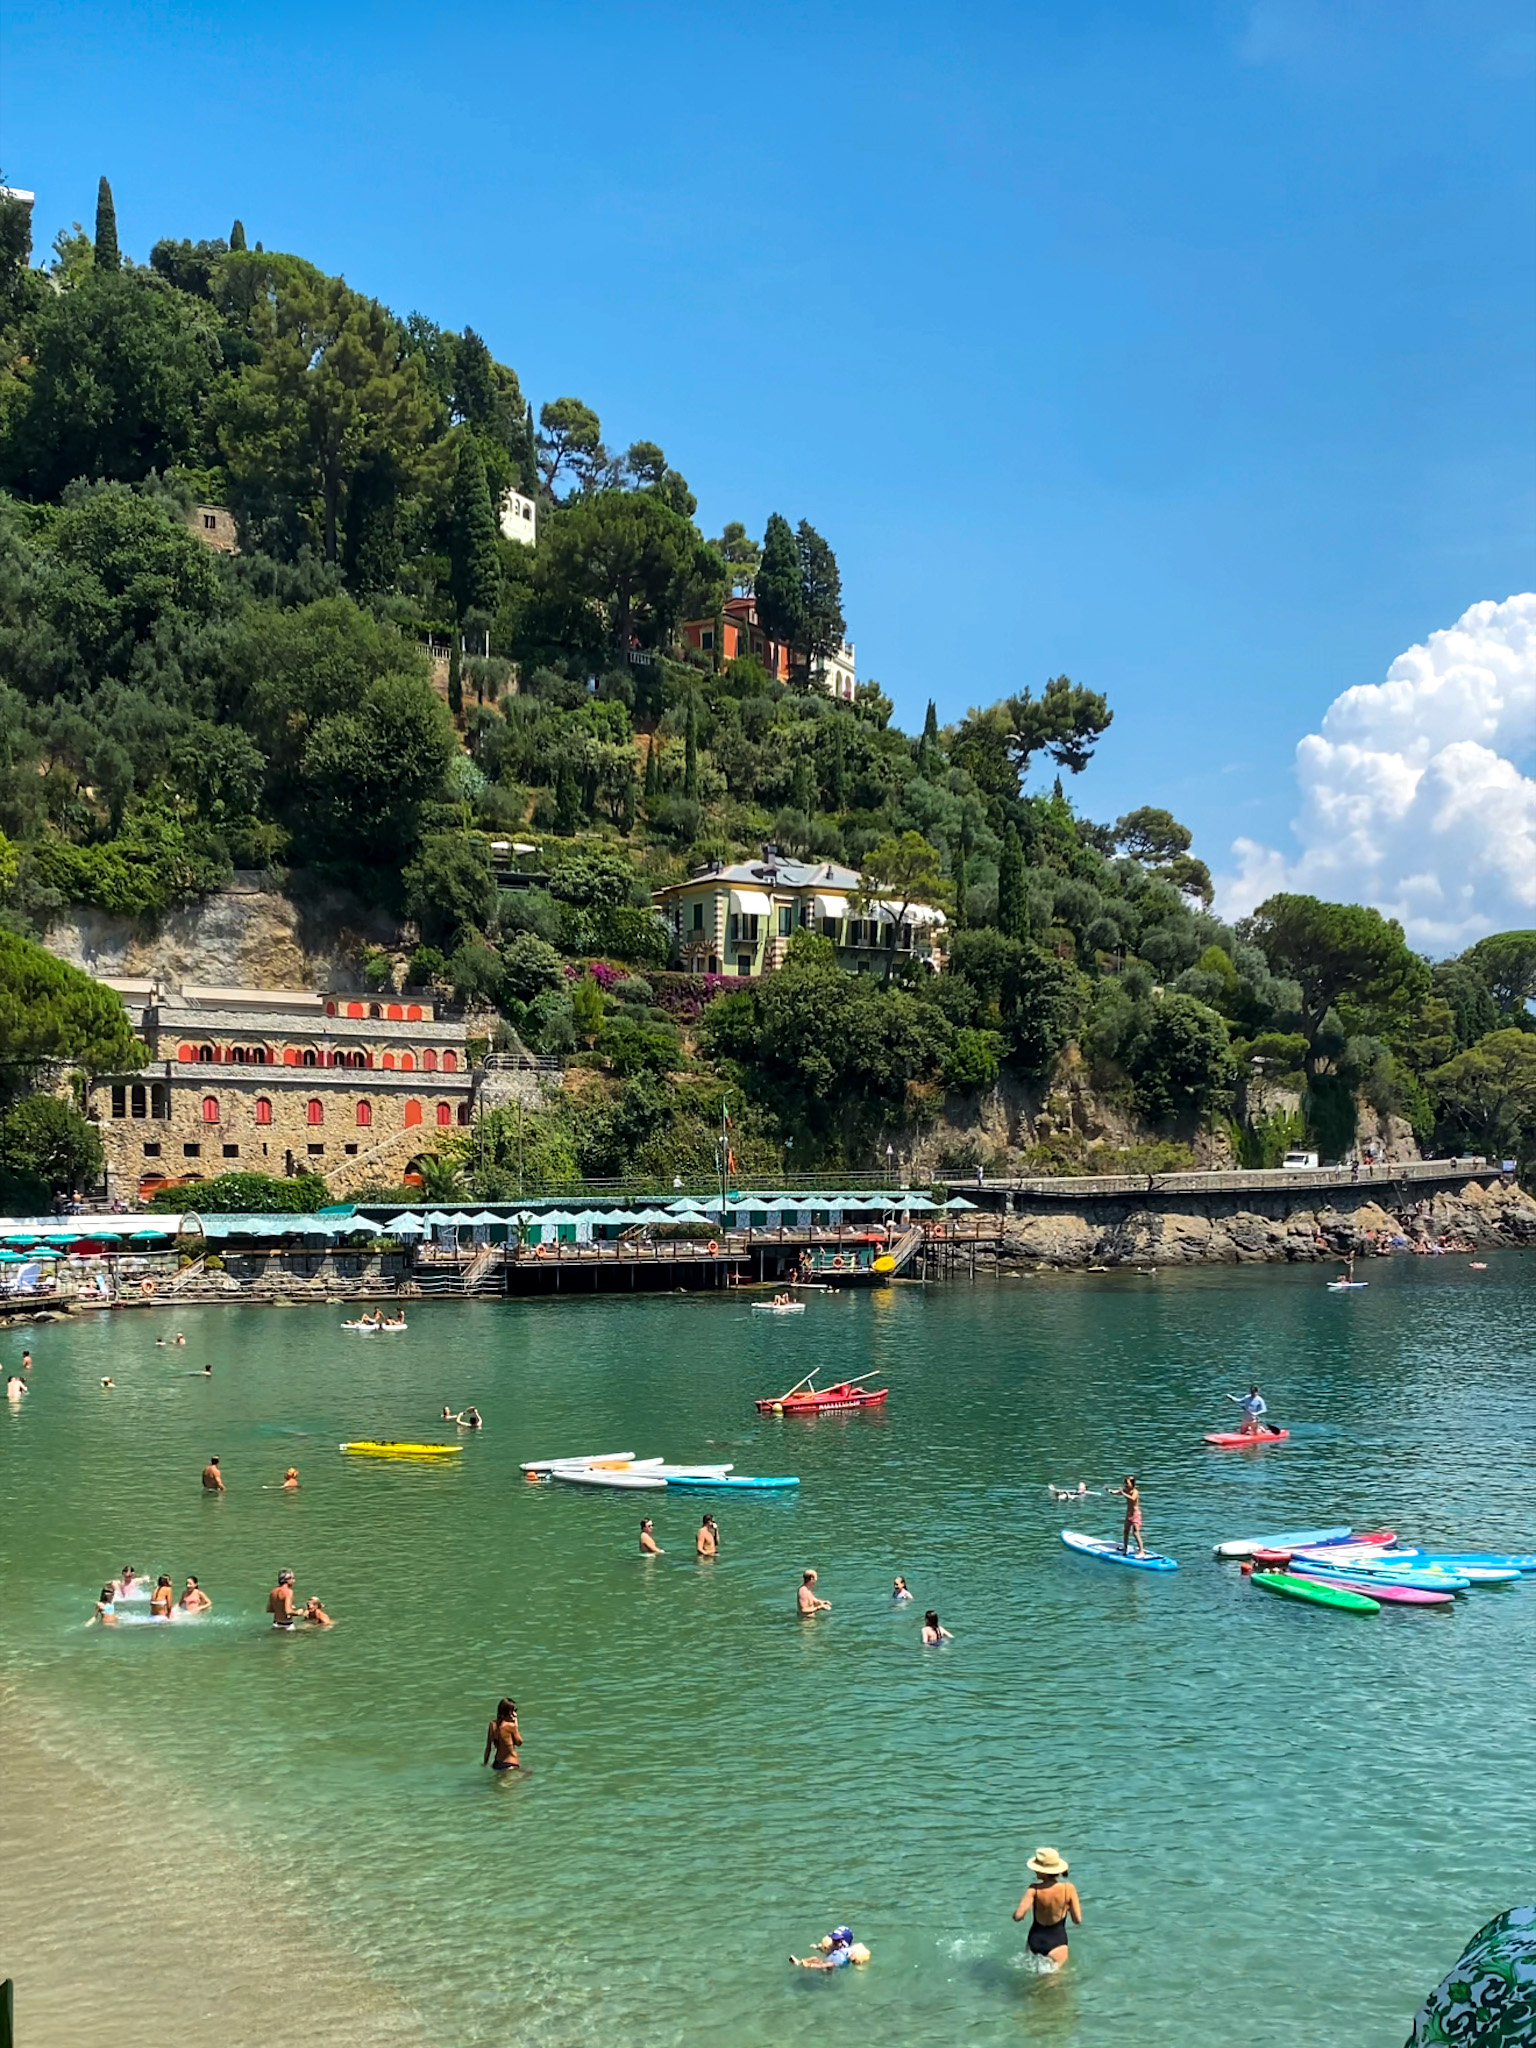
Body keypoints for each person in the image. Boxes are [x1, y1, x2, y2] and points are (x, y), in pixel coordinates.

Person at [1013, 1847, 1082, 1970]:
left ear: (1043, 1871)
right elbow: (1077, 1920)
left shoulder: (1033, 1889)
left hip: (1035, 1940)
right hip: (1057, 1942)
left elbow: (1018, 1916)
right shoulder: (1069, 1889)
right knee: (1056, 1984)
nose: (1035, 1872)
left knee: (1031, 1980)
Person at [1108, 1476, 1146, 1558]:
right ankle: (1125, 1549)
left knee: (1135, 1532)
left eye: (1128, 1483)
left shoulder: (1135, 1491)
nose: (1126, 1485)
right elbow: (1118, 1492)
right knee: (1126, 1531)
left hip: (1135, 1514)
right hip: (1128, 1513)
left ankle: (1141, 1551)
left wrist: (1123, 1493)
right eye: (1126, 1483)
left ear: (1132, 1484)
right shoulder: (1126, 1489)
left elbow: (1132, 1499)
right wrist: (1111, 1491)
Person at [483, 1698, 522, 1772]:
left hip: (497, 1764)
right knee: (528, 1775)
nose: (515, 1713)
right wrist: (515, 1721)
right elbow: (519, 1742)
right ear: (509, 1713)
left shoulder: (492, 1725)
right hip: (510, 1764)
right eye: (513, 1711)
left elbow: (488, 1748)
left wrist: (485, 1763)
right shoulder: (511, 1726)